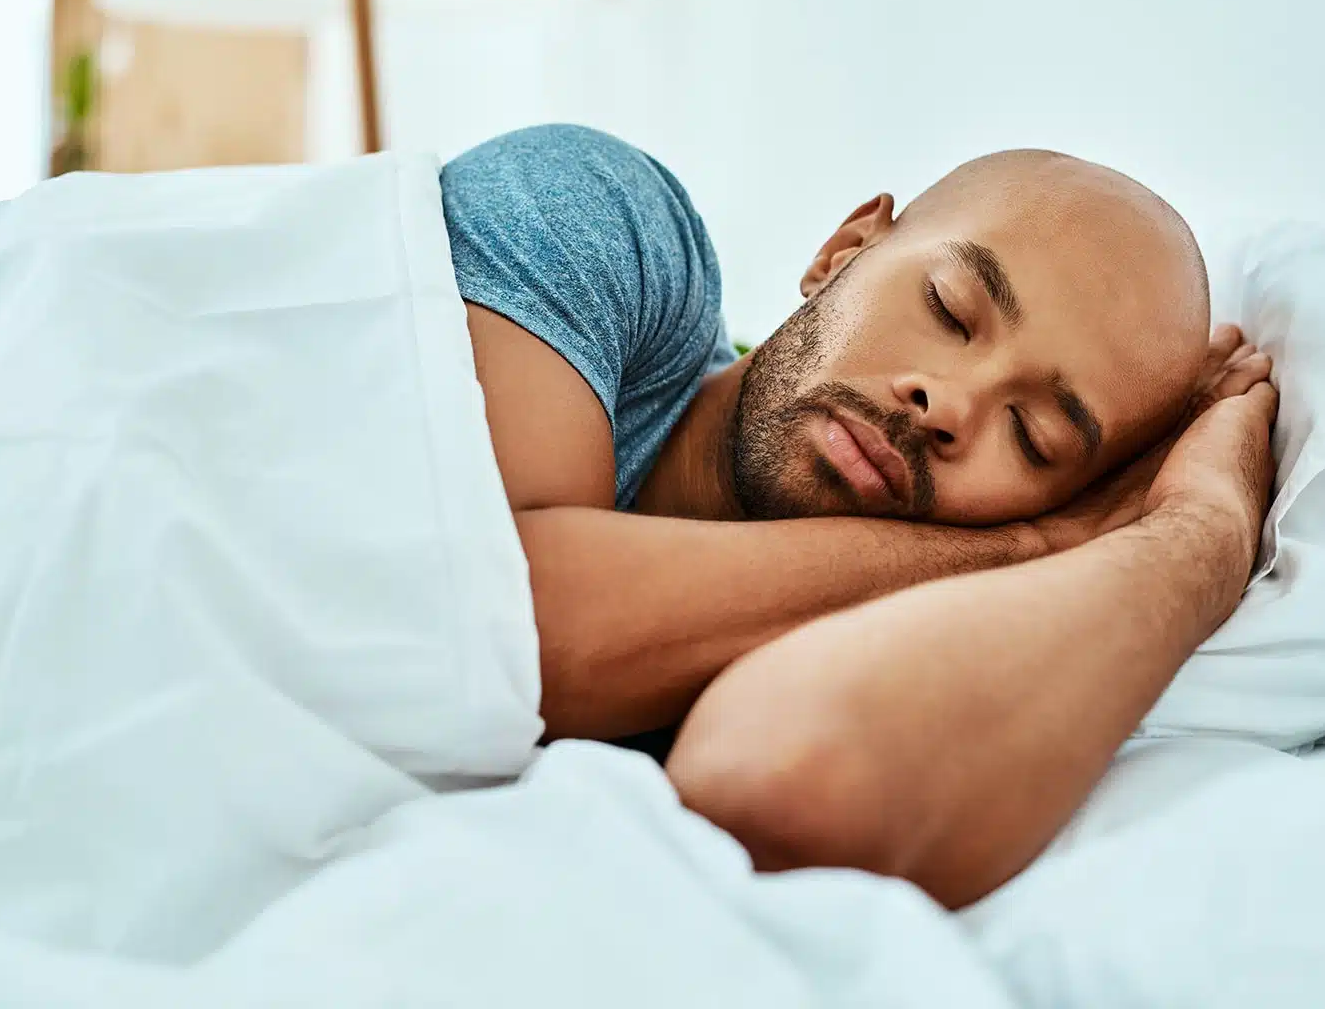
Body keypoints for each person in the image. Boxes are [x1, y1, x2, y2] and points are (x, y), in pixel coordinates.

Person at [445, 123, 1276, 905]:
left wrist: (1201, 533)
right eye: (950, 310)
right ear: (843, 251)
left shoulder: (883, 625)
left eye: (1035, 438)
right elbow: (503, 627)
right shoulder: (597, 217)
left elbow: (787, 785)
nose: (946, 403)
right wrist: (1039, 542)